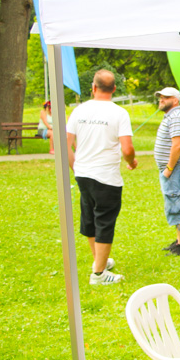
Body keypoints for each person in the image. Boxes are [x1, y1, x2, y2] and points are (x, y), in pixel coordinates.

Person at [66, 70, 137, 285]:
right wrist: (131, 161)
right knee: (104, 221)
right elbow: (127, 148)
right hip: (106, 176)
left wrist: (76, 166)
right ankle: (98, 274)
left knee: (90, 219)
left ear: (93, 87)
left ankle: (100, 261)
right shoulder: (119, 113)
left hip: (83, 174)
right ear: (114, 89)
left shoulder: (79, 111)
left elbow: (65, 143)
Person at [154, 87, 180, 256]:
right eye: (160, 97)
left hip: (173, 169)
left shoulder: (175, 117)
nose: (161, 99)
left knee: (175, 204)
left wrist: (168, 169)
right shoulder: (171, 116)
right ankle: (179, 241)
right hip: (170, 169)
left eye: (166, 97)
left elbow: (177, 145)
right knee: (172, 202)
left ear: (175, 100)